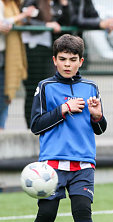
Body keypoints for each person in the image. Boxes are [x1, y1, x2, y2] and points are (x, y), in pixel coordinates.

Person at [16, 34, 107, 222]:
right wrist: (63, 110)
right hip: (51, 166)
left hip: (83, 164)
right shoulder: (45, 87)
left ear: (81, 61)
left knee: (82, 212)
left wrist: (98, 116)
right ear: (54, 60)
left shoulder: (91, 87)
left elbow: (99, 127)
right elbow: (35, 125)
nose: (68, 64)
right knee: (46, 215)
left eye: (73, 59)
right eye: (63, 59)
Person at [21, 0, 70, 129]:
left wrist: (65, 5)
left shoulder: (57, 4)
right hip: (32, 49)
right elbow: (25, 19)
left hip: (49, 50)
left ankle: (49, 124)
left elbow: (68, 21)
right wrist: (46, 24)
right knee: (33, 90)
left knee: (51, 88)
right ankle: (32, 126)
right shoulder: (33, 2)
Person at [0, 0, 35, 130]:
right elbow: (5, 24)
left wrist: (25, 17)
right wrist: (23, 15)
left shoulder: (13, 4)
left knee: (5, 96)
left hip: (6, 55)